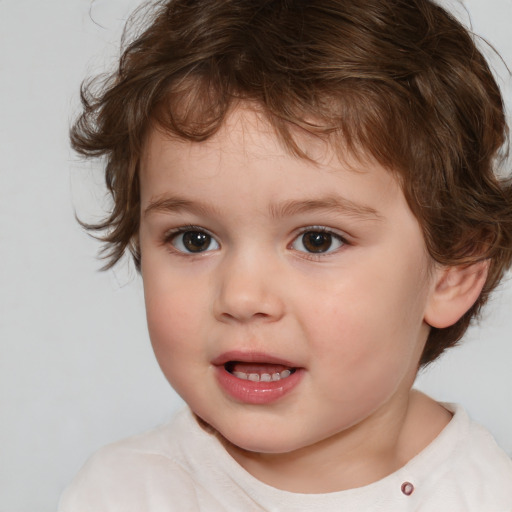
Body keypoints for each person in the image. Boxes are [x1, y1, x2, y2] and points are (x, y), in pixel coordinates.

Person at [59, 0, 512, 510]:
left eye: (318, 240)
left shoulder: (487, 495)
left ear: (453, 270)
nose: (243, 297)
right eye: (195, 239)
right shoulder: (122, 495)